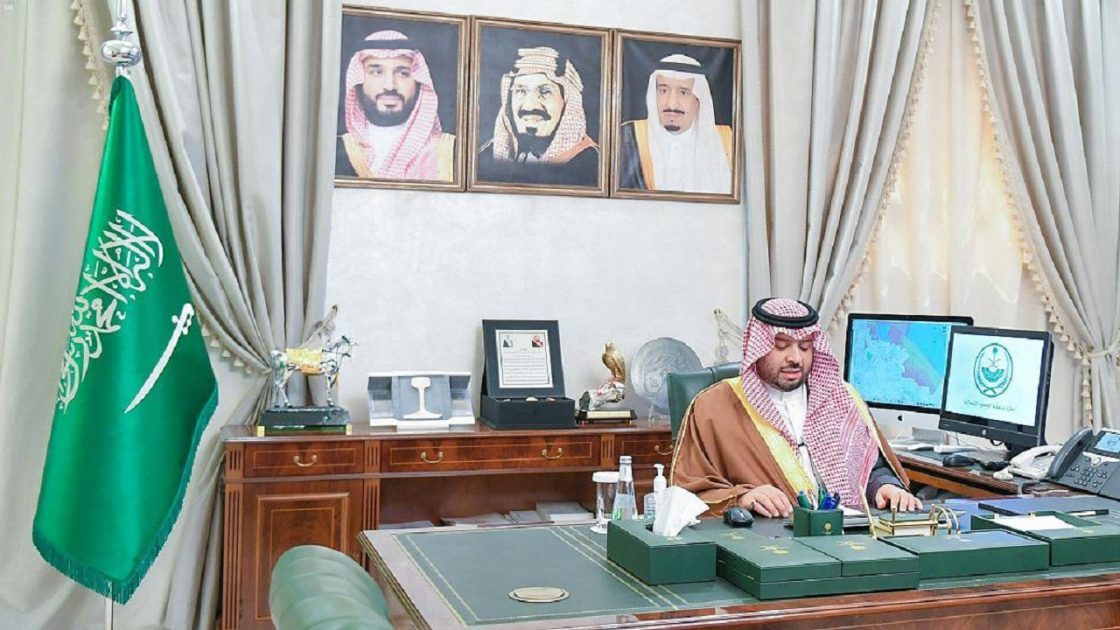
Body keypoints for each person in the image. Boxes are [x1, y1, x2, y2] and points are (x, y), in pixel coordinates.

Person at [671, 298, 921, 518]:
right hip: (768, 540)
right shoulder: (713, 408)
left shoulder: (842, 398)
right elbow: (687, 492)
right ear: (758, 347)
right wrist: (741, 498)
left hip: (849, 533)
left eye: (805, 347)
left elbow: (873, 467)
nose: (796, 358)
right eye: (781, 346)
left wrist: (885, 486)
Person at [337, 30, 455, 181]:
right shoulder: (335, 151)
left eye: (403, 73)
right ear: (359, 81)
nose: (390, 86)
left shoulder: (450, 153)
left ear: (418, 82)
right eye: (376, 72)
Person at [477, 46, 599, 186]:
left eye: (545, 92)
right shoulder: (486, 156)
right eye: (520, 91)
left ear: (568, 103)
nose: (530, 106)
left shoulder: (593, 164)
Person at [618, 53, 733, 194]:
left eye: (684, 93)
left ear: (699, 100)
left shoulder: (728, 143)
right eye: (664, 91)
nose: (672, 104)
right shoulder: (627, 139)